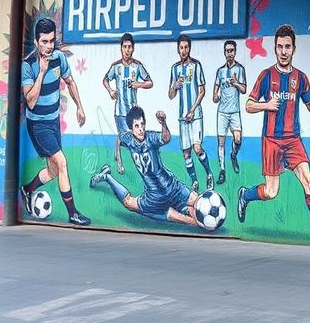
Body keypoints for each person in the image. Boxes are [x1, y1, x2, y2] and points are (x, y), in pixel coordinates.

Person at [238, 24, 310, 244]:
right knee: (271, 191)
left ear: (293, 49)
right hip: (271, 140)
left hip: (293, 140)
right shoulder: (266, 76)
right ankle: (245, 195)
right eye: (280, 47)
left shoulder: (301, 78)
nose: (283, 51)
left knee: (308, 182)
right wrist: (266, 105)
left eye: (287, 47)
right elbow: (249, 105)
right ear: (275, 49)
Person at [20, 18, 91, 226]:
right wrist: (41, 72)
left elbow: (70, 81)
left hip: (53, 122)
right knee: (62, 162)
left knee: (53, 171)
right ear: (36, 41)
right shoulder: (29, 66)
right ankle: (73, 213)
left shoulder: (59, 58)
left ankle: (27, 189)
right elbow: (31, 102)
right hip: (38, 125)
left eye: (51, 41)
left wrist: (80, 106)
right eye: (44, 41)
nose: (49, 46)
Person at [89, 106, 204, 228]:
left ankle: (182, 208)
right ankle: (107, 177)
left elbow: (166, 138)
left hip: (173, 187)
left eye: (142, 124)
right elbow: (119, 138)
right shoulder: (128, 138)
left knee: (200, 204)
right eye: (137, 126)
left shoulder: (151, 138)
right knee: (128, 203)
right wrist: (119, 161)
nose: (141, 129)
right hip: (154, 196)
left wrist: (163, 123)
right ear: (131, 129)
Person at [103, 33, 153, 175]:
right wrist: (111, 91)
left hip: (133, 111)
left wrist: (139, 84)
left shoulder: (137, 66)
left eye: (129, 47)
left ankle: (135, 158)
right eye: (124, 47)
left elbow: (150, 82)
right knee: (125, 136)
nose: (127, 50)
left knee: (133, 138)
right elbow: (105, 80)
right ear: (121, 48)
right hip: (120, 110)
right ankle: (119, 162)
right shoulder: (116, 66)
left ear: (133, 48)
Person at [168, 34, 214, 192]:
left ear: (189, 48)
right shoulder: (175, 69)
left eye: (186, 47)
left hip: (195, 116)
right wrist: (175, 86)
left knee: (197, 148)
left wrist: (193, 110)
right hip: (182, 118)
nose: (184, 50)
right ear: (178, 49)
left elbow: (202, 91)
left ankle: (208, 174)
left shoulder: (196, 65)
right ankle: (195, 181)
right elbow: (171, 95)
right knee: (186, 153)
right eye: (181, 47)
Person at [212, 40, 246, 184]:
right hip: (222, 112)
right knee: (221, 142)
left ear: (235, 52)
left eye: (232, 50)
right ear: (224, 52)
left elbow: (244, 89)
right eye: (227, 51)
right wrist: (215, 96)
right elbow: (215, 91)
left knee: (237, 139)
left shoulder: (240, 69)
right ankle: (222, 170)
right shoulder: (220, 71)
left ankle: (233, 155)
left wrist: (235, 83)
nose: (229, 53)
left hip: (235, 111)